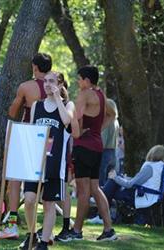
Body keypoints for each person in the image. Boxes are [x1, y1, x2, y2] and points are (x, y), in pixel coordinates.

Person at [19, 72, 79, 250]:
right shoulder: (37, 106)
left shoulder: (68, 105)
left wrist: (58, 98)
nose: (47, 84)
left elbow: (66, 120)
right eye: (45, 81)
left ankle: (44, 243)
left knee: (48, 203)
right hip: (35, 162)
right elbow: (30, 132)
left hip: (55, 165)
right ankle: (32, 235)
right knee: (29, 200)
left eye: (51, 81)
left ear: (60, 85)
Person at [0, 53, 52, 240]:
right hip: (50, 139)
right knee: (45, 185)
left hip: (28, 135)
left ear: (34, 67)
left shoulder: (26, 87)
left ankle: (12, 225)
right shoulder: (57, 87)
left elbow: (12, 112)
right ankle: (47, 230)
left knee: (15, 180)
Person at [65, 66, 117, 241]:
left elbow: (76, 120)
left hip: (84, 147)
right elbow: (112, 115)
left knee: (83, 191)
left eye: (79, 79)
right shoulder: (101, 95)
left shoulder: (85, 94)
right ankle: (109, 230)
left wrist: (77, 131)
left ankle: (77, 231)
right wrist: (97, 130)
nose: (78, 82)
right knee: (95, 188)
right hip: (97, 146)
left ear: (86, 80)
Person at [92, 145, 164, 224]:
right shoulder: (159, 167)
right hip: (148, 195)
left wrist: (115, 178)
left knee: (112, 184)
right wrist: (122, 178)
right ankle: (101, 198)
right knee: (115, 181)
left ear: (151, 153)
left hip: (140, 196)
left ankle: (101, 212)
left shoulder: (149, 168)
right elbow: (139, 181)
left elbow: (129, 185)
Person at [99, 98, 119, 186]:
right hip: (113, 153)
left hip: (104, 152)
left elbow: (103, 140)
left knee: (101, 182)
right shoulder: (116, 122)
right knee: (108, 182)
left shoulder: (107, 122)